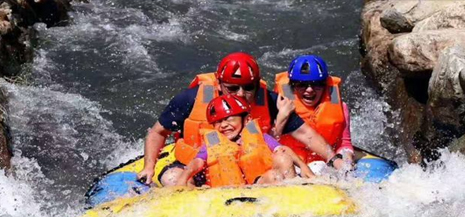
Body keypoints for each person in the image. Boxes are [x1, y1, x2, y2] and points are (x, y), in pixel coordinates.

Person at [138, 52, 345, 187]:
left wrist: (333, 158)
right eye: (233, 87)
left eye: (248, 87)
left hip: (251, 171)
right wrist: (148, 167)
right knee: (174, 178)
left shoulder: (269, 101)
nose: (241, 93)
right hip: (196, 167)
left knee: (279, 173)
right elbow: (157, 132)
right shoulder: (190, 99)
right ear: (219, 83)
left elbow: (306, 135)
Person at [175, 95, 314, 187]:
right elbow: (197, 162)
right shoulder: (212, 144)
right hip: (228, 192)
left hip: (259, 184)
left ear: (246, 120)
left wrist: (303, 167)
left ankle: (293, 195)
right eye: (218, 122)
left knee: (281, 161)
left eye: (229, 119)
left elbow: (282, 150)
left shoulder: (260, 137)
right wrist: (183, 178)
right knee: (190, 183)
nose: (223, 125)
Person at [274, 55, 354, 169]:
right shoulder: (277, 105)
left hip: (327, 163)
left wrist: (347, 159)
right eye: (302, 85)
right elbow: (267, 142)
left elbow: (344, 143)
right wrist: (282, 118)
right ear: (292, 86)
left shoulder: (342, 107)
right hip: (293, 164)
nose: (309, 90)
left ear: (325, 85)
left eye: (317, 84)